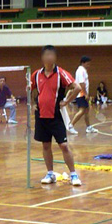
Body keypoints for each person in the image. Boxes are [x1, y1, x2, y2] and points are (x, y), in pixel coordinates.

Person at [31, 46, 81, 186]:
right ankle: (50, 174)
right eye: (46, 55)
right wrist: (32, 103)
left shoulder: (61, 73)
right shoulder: (36, 74)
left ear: (55, 57)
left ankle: (73, 175)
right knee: (46, 145)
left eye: (51, 55)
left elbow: (76, 87)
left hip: (56, 115)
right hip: (41, 115)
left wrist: (66, 101)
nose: (48, 57)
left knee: (64, 145)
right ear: (42, 58)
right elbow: (29, 89)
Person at [68, 56, 96, 135]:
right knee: (82, 110)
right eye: (87, 64)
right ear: (83, 63)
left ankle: (88, 127)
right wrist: (86, 94)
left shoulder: (83, 70)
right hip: (81, 94)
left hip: (83, 93)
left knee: (86, 111)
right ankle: (71, 126)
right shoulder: (80, 71)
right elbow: (81, 83)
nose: (89, 65)